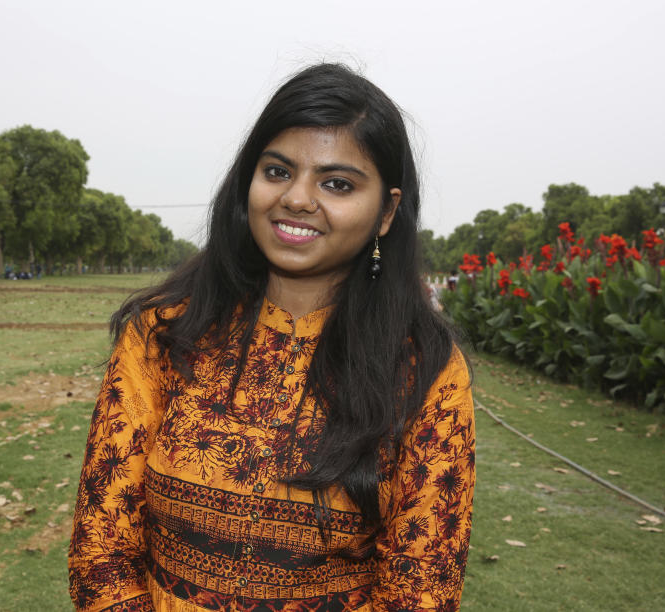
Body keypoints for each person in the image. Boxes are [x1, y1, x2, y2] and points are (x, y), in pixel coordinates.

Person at [69, 63, 475, 611]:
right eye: (278, 171)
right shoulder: (164, 335)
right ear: (249, 181)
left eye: (337, 184)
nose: (297, 199)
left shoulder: (421, 369)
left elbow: (420, 594)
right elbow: (101, 554)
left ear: (387, 212)